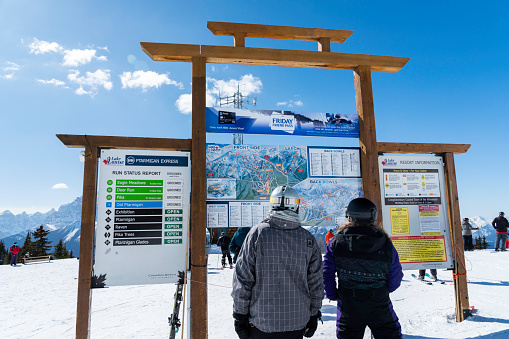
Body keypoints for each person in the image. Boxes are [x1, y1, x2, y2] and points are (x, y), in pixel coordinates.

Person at [232, 185, 323, 339]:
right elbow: (315, 283)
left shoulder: (257, 234)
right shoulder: (308, 239)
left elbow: (243, 279)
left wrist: (240, 315)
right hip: (297, 321)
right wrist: (313, 313)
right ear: (296, 205)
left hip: (262, 321)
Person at [323, 198, 403, 338]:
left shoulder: (336, 242)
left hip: (348, 303)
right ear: (373, 216)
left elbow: (327, 273)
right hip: (378, 302)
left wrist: (332, 294)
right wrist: (383, 290)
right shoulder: (385, 242)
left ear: (349, 216)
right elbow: (395, 274)